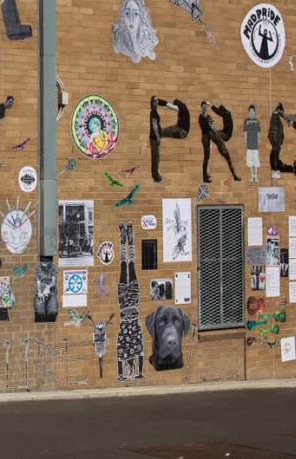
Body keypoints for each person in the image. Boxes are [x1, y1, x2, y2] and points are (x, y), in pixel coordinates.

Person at [116, 222, 143, 381]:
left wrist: (124, 375)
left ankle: (127, 241)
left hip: (131, 302)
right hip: (126, 304)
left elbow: (137, 355)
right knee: (124, 266)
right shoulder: (129, 349)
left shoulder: (132, 346)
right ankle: (125, 241)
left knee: (128, 266)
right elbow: (122, 357)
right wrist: (125, 375)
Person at [149, 96, 189, 183]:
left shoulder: (182, 108)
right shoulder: (154, 113)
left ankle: (156, 176)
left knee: (156, 157)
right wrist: (158, 101)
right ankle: (156, 176)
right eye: (155, 102)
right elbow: (155, 125)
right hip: (157, 136)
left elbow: (170, 106)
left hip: (182, 130)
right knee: (156, 157)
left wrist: (158, 101)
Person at [111, 0, 159, 64]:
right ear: (122, 17)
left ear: (141, 17)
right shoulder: (118, 43)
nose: (131, 19)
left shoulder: (148, 43)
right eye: (127, 13)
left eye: (136, 14)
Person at [198, 102, 239, 183]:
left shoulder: (206, 118)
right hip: (206, 138)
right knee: (207, 157)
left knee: (208, 157)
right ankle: (204, 176)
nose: (205, 109)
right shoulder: (201, 118)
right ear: (201, 108)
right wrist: (211, 126)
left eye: (205, 107)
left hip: (210, 137)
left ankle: (205, 175)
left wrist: (211, 124)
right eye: (204, 107)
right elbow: (207, 128)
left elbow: (211, 128)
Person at [33, 258, 58, 323]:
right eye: (43, 260)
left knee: (53, 311)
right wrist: (39, 292)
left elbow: (53, 281)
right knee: (40, 312)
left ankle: (49, 324)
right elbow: (38, 281)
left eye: (47, 260)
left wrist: (48, 287)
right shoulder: (37, 266)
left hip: (51, 291)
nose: (45, 262)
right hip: (41, 289)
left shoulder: (53, 266)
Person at [243, 105, 260, 183]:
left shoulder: (257, 121)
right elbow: (245, 133)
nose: (252, 113)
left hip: (255, 146)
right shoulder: (246, 121)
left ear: (255, 112)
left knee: (256, 161)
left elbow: (258, 134)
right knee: (250, 161)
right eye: (250, 111)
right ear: (249, 112)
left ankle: (256, 176)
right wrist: (246, 143)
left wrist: (258, 143)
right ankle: (252, 176)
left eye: (253, 111)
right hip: (249, 146)